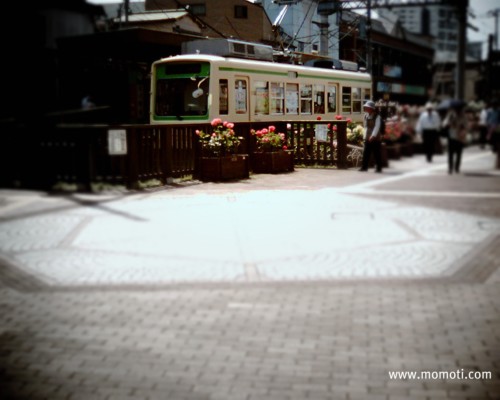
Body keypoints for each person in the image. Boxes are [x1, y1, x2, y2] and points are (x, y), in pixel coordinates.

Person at [443, 101, 468, 174]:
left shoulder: (463, 116)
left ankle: (457, 167)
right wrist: (449, 123)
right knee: (450, 153)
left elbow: (466, 125)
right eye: (457, 109)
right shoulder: (450, 115)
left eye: (459, 109)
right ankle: (450, 168)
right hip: (452, 135)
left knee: (459, 153)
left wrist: (462, 126)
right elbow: (444, 123)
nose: (458, 110)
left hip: (460, 136)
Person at [359, 100, 383, 173]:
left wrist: (373, 136)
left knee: (376, 153)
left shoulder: (377, 116)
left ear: (372, 108)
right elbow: (365, 126)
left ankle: (379, 167)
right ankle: (364, 167)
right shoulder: (366, 115)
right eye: (366, 107)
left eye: (367, 107)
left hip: (375, 137)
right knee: (366, 152)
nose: (366, 108)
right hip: (367, 136)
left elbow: (377, 127)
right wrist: (364, 135)